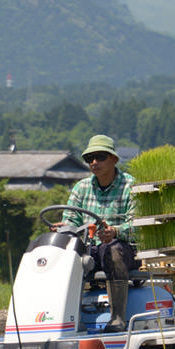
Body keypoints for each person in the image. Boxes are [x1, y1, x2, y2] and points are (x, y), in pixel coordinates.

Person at [61, 134, 137, 331]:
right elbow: (71, 220)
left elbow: (138, 225)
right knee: (63, 253)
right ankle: (65, 318)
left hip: (122, 249)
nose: (94, 162)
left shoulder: (131, 186)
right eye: (89, 158)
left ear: (114, 159)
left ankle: (118, 318)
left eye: (100, 157)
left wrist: (115, 232)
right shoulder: (81, 187)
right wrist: (63, 227)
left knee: (113, 250)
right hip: (90, 248)